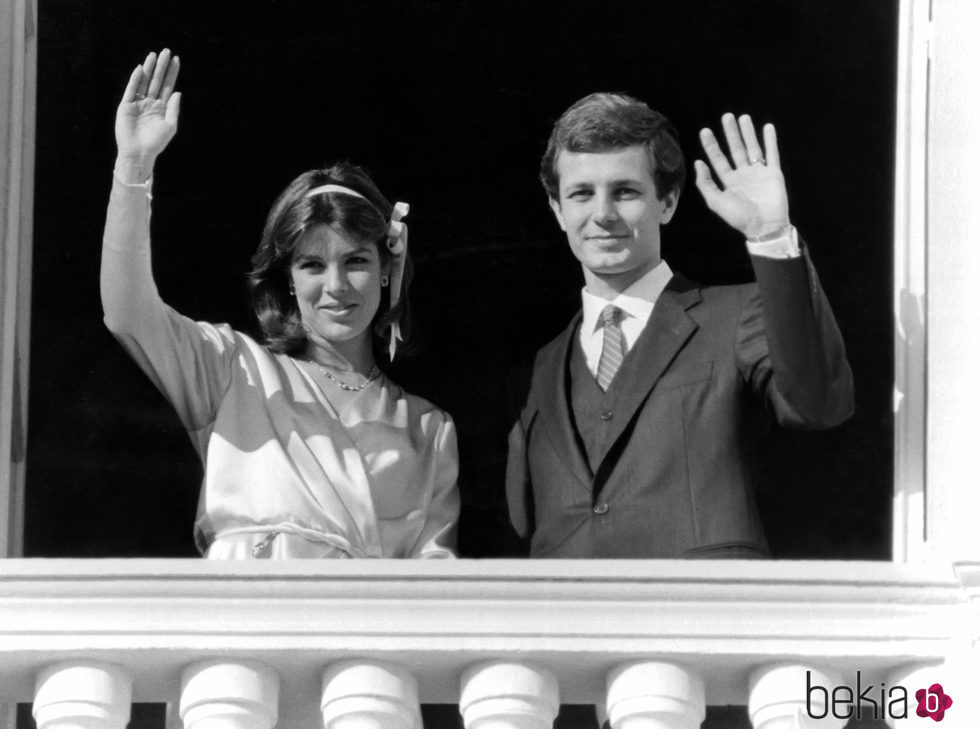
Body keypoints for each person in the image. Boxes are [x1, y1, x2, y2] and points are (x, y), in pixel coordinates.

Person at [102, 49, 459, 559]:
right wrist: (134, 166)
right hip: (245, 628)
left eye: (355, 261)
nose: (336, 285)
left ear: (387, 267)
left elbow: (434, 587)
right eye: (312, 265)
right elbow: (127, 311)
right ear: (288, 280)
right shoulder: (235, 372)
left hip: (359, 634)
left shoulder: (428, 428)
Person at [506, 93, 854, 558]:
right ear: (557, 209)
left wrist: (769, 234)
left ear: (667, 201)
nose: (603, 214)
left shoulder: (734, 314)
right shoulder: (546, 362)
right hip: (572, 621)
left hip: (703, 618)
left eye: (625, 191)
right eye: (582, 193)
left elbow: (818, 403)